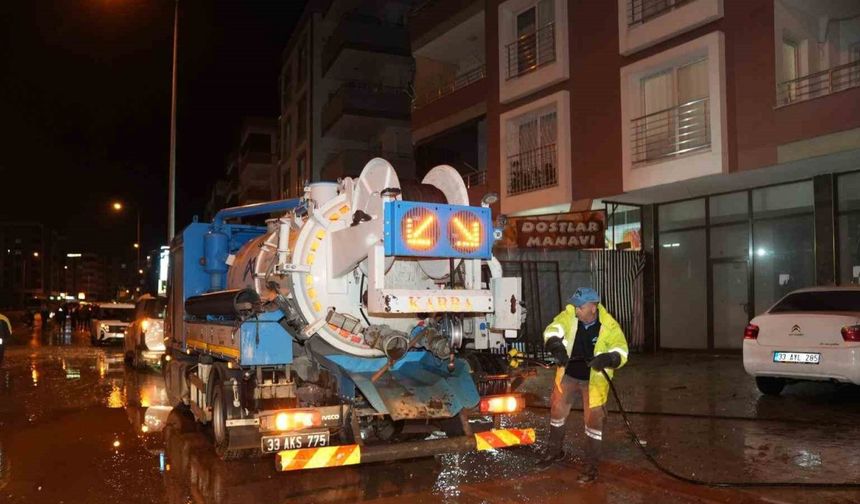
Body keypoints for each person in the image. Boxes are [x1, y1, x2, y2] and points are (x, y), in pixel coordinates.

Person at [536, 287, 629, 483]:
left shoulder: (609, 326)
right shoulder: (570, 314)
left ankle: (591, 467)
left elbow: (622, 351)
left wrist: (609, 358)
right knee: (557, 414)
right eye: (575, 305)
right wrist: (555, 345)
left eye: (580, 306)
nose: (576, 309)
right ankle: (554, 451)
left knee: (594, 424)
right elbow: (553, 329)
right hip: (569, 375)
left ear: (593, 308)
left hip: (594, 381)